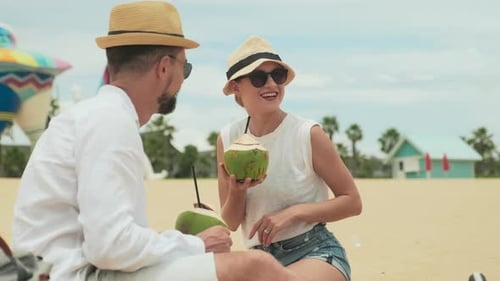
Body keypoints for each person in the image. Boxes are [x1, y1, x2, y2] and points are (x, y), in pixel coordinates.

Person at [12, 3, 303, 281]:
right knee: (255, 266)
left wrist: (181, 244)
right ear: (164, 67)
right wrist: (195, 245)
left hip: (61, 269)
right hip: (71, 275)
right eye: (185, 69)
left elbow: (109, 242)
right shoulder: (111, 122)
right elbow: (110, 247)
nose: (182, 80)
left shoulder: (90, 117)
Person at [217, 35, 363, 281]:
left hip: (315, 252)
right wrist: (238, 191)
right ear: (236, 87)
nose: (271, 84)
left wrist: (294, 213)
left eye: (278, 75)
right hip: (260, 261)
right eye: (259, 78)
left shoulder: (307, 134)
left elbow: (352, 202)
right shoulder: (228, 138)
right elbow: (231, 223)